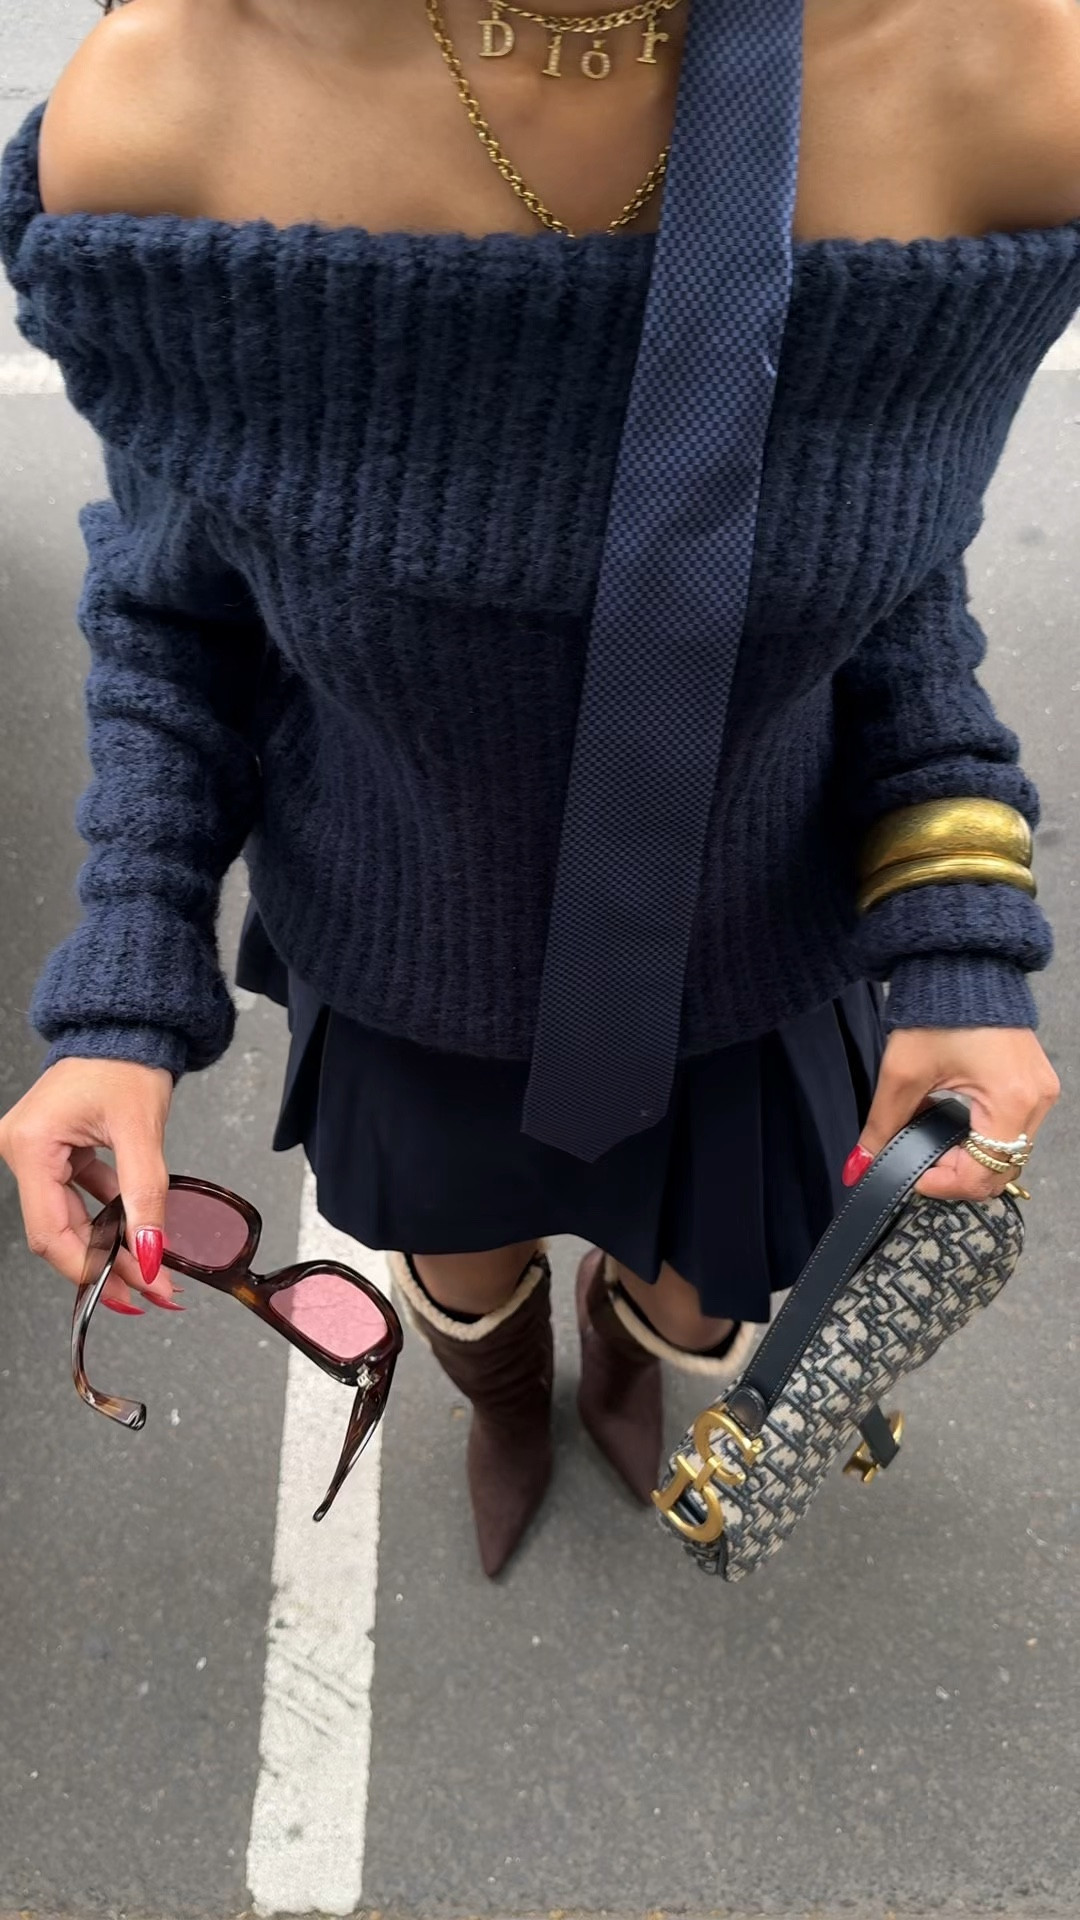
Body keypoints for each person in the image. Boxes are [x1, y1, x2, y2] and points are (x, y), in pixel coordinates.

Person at [0, 0, 1072, 1577]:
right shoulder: (181, 103)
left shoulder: (1000, 80)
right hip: (410, 968)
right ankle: (509, 1410)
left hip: (753, 968)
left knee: (702, 1309)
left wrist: (967, 936)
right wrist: (126, 974)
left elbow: (896, 578)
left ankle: (622, 1360)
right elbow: (176, 608)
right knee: (464, 1291)